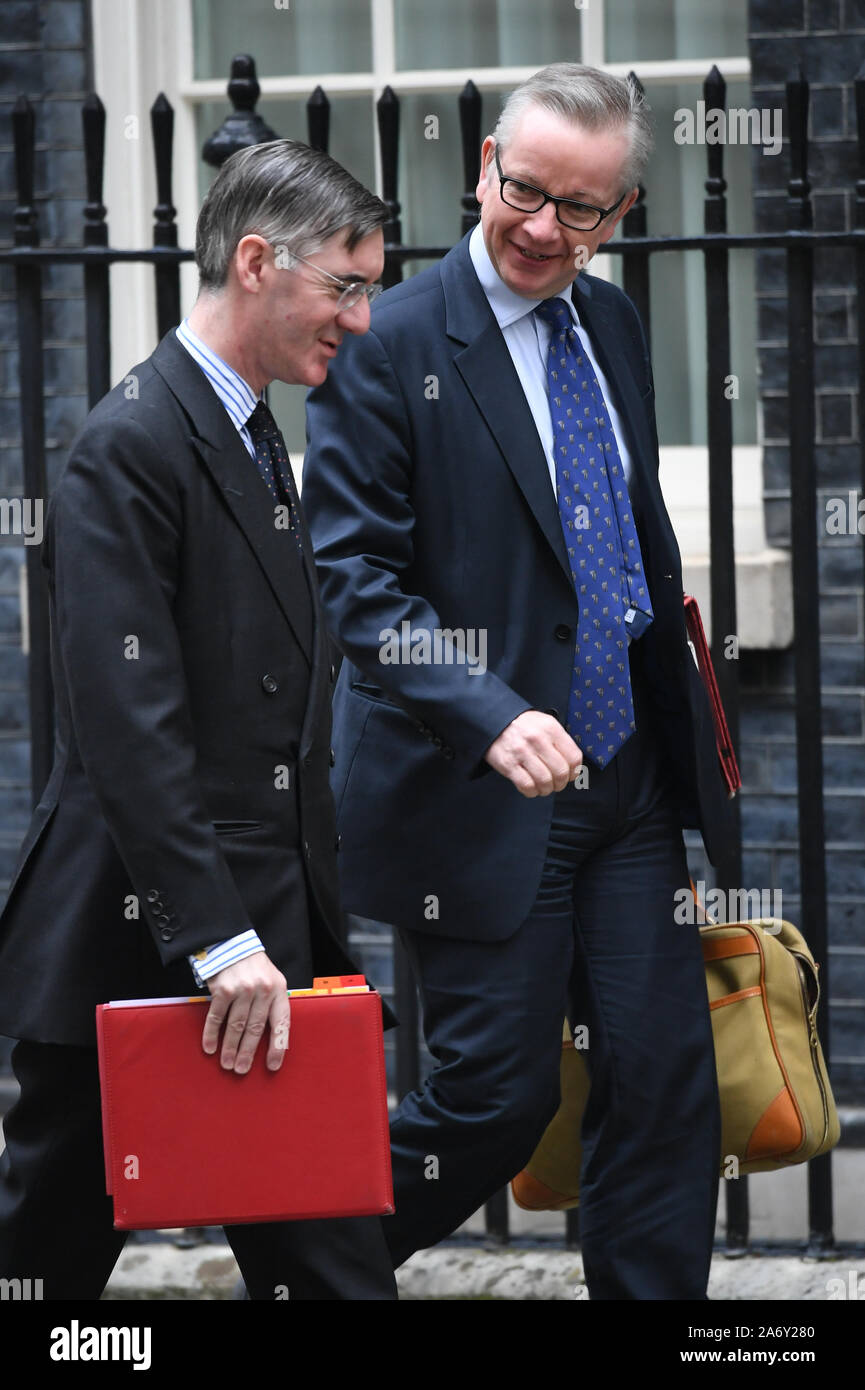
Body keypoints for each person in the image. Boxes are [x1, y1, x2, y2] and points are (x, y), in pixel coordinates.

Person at [302, 64, 735, 1300]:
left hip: (629, 776)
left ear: (624, 210)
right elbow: (358, 581)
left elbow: (623, 528)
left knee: (663, 1082)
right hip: (481, 790)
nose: (546, 229)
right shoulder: (386, 342)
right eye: (527, 191)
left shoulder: (613, 325)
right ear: (484, 161)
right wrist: (492, 715)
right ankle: (302, 1260)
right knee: (493, 1100)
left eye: (583, 210)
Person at [0, 139, 397, 1301]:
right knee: (47, 1267)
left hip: (258, 937)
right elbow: (130, 726)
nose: (363, 320)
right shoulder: (130, 444)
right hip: (148, 943)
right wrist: (220, 941)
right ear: (260, 262)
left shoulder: (251, 425)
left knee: (327, 1263)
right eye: (347, 285)